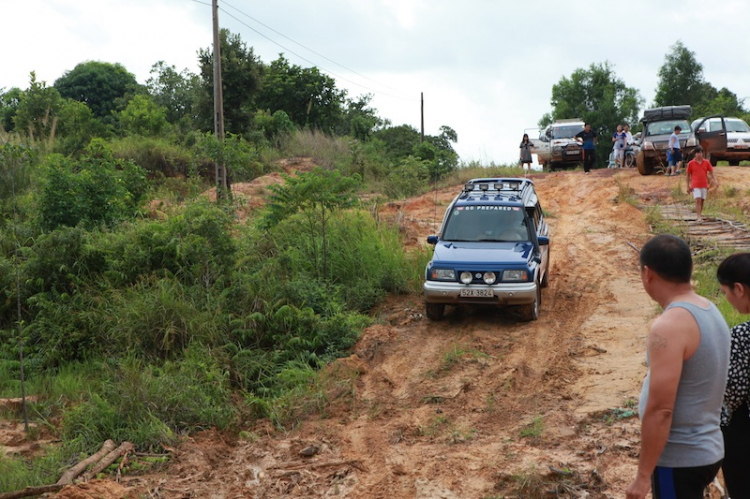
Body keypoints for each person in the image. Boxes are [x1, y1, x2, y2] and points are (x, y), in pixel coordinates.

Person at [626, 234, 730, 499]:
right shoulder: (709, 309)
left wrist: (641, 478)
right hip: (707, 448)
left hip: (680, 457)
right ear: (689, 269)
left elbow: (661, 409)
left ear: (647, 274)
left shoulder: (670, 326)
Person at [716, 253, 750, 499]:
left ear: (739, 289)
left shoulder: (742, 336)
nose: (727, 299)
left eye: (725, 292)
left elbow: (731, 394)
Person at [686, 146, 719, 223]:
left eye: (700, 152)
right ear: (695, 154)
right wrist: (687, 186)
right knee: (698, 199)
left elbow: (711, 172)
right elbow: (687, 175)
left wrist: (715, 180)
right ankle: (698, 217)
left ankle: (700, 214)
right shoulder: (691, 163)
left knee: (702, 201)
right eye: (697, 153)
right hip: (695, 185)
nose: (699, 154)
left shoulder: (706, 162)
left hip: (704, 184)